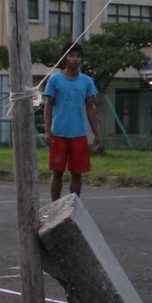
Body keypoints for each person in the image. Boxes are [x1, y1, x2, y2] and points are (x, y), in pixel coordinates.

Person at [43, 44, 102, 200]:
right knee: (57, 172)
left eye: (78, 56)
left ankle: (74, 206)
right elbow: (48, 105)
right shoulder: (55, 79)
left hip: (78, 134)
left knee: (77, 172)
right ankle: (55, 206)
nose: (75, 59)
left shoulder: (87, 81)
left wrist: (96, 134)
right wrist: (47, 130)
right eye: (72, 55)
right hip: (59, 133)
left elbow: (90, 107)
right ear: (64, 59)